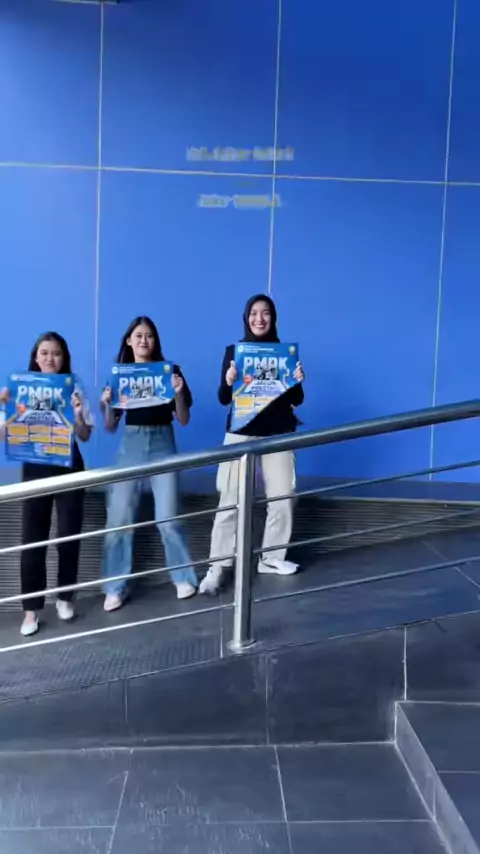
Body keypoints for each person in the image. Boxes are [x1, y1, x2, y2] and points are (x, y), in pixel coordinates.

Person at [200, 294, 305, 595]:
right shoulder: (234, 352)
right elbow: (223, 398)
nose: (259, 319)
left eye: (266, 313)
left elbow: (297, 399)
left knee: (283, 496)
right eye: (254, 313)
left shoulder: (285, 353)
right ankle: (217, 566)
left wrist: (297, 380)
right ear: (246, 318)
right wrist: (229, 379)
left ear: (273, 318)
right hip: (241, 431)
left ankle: (271, 558)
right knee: (230, 500)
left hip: (278, 432)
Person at [100, 316, 198, 611]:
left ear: (156, 341)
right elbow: (110, 426)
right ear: (129, 340)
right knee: (119, 518)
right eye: (139, 335)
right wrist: (107, 404)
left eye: (149, 335)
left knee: (168, 517)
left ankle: (183, 577)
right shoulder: (120, 374)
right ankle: (115, 587)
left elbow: (183, 419)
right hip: (131, 443)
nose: (144, 340)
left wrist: (179, 393)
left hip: (163, 442)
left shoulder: (170, 371)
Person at [0, 332, 93, 637]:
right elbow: (4, 435)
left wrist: (78, 416)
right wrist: (4, 409)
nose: (50, 358)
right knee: (33, 538)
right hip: (35, 466)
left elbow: (85, 435)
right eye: (44, 353)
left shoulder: (73, 386)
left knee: (68, 534)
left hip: (69, 464)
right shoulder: (19, 389)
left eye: (56, 353)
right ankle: (31, 610)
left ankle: (65, 598)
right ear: (35, 357)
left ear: (64, 358)